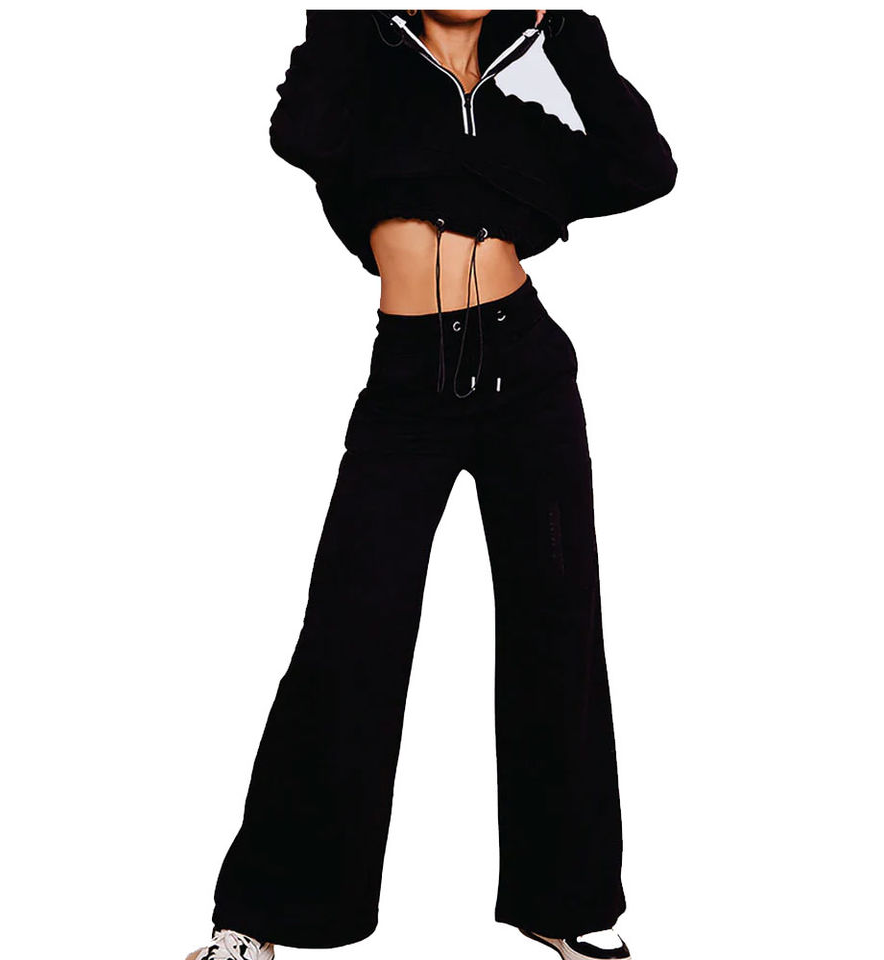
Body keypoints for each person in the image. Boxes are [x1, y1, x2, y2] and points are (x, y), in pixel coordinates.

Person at [185, 9, 677, 960]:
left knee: (557, 627)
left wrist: (571, 33)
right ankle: (265, 916)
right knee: (349, 629)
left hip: (528, 375)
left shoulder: (525, 103)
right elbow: (300, 136)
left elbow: (643, 169)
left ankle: (567, 900)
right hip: (410, 382)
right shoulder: (365, 78)